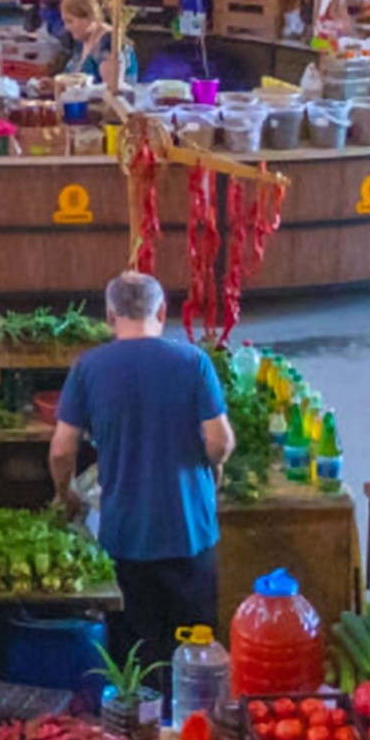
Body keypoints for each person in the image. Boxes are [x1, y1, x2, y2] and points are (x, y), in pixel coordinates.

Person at [48, 272, 237, 668]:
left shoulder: (88, 368)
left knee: (133, 659)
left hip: (126, 537)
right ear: (163, 311)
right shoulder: (193, 362)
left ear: (110, 315)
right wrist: (213, 468)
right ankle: (189, 723)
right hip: (190, 532)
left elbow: (62, 450)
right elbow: (220, 442)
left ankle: (134, 724)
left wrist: (64, 494)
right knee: (193, 655)